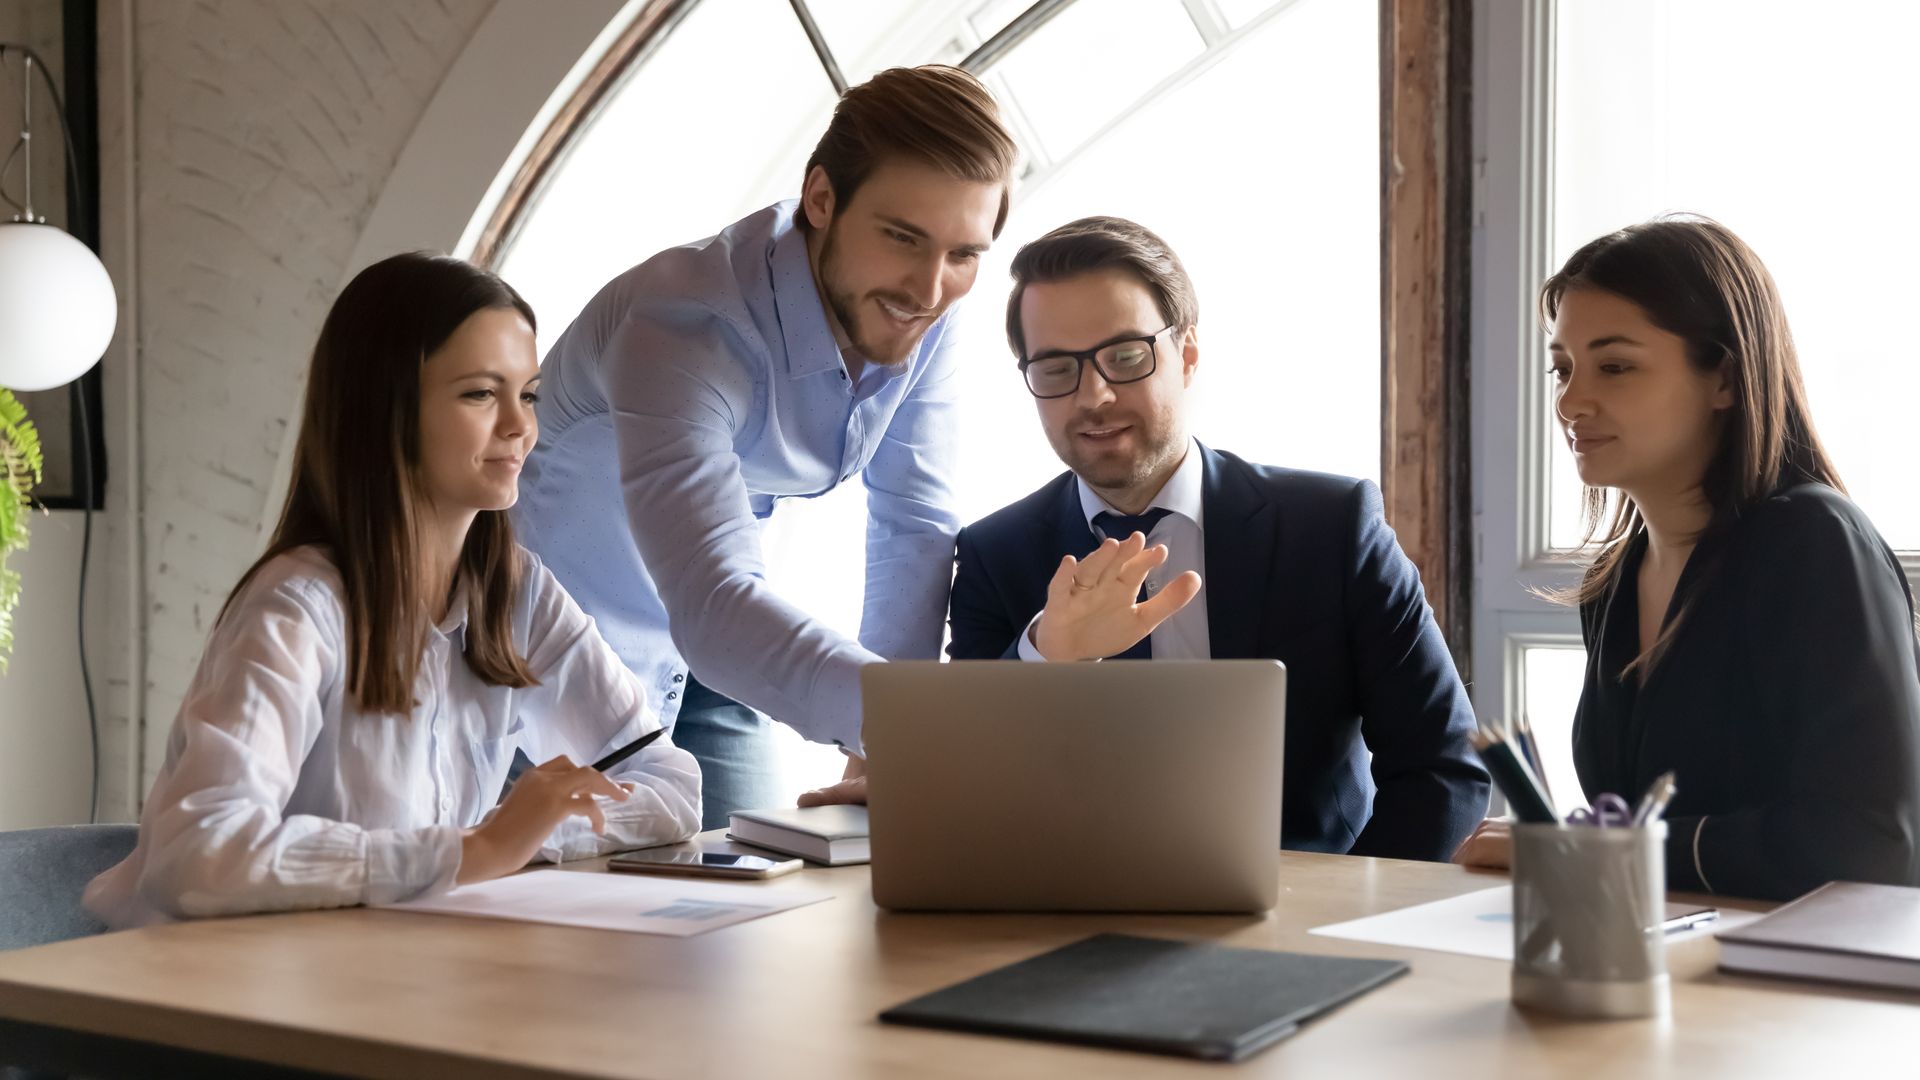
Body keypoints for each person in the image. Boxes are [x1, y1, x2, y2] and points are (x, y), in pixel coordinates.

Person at [85, 253, 701, 927]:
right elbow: (197, 854)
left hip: (385, 969)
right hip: (200, 1002)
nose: (520, 428)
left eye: (527, 394)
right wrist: (475, 849)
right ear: (386, 410)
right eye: (478, 394)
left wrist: (525, 835)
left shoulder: (518, 593)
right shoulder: (296, 607)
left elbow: (671, 787)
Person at [513, 65, 1018, 827]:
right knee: (556, 928)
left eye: (963, 254)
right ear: (821, 198)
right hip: (547, 657)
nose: (928, 287)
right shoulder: (681, 325)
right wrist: (911, 728)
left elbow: (913, 526)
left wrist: (880, 743)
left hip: (715, 650)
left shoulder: (926, 309)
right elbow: (712, 598)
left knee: (750, 912)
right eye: (902, 237)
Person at [940, 216, 1489, 862]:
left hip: (1313, 923)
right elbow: (964, 790)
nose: (1095, 395)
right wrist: (1044, 654)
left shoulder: (1334, 527)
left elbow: (1443, 770)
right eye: (1057, 368)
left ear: (1188, 355)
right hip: (1080, 929)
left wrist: (1340, 928)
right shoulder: (991, 556)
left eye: (1124, 356)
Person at [1452, 217, 1920, 900]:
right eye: (1563, 368)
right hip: (1659, 961)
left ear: (1724, 379)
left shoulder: (1814, 545)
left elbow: (1869, 844)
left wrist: (1589, 850)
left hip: (1797, 991)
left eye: (1615, 366)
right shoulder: (1612, 582)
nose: (1571, 401)